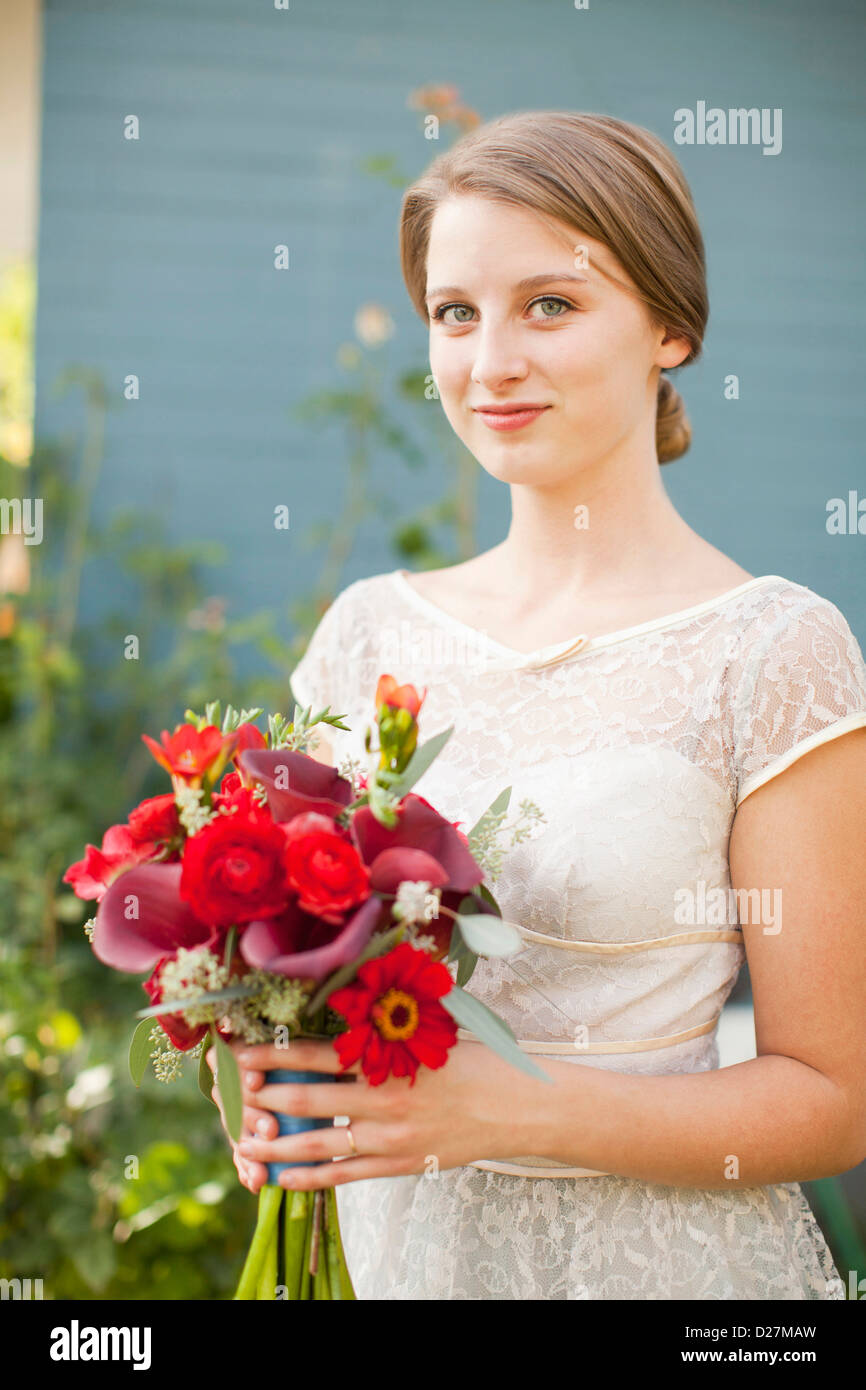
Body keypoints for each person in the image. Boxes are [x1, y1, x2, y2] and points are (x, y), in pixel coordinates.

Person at [211, 111, 866, 1299]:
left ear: (669, 327)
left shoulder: (772, 650)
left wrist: (513, 1109)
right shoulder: (366, 636)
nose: (488, 360)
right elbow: (288, 975)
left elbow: (831, 1102)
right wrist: (270, 1083)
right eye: (455, 312)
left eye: (549, 305)